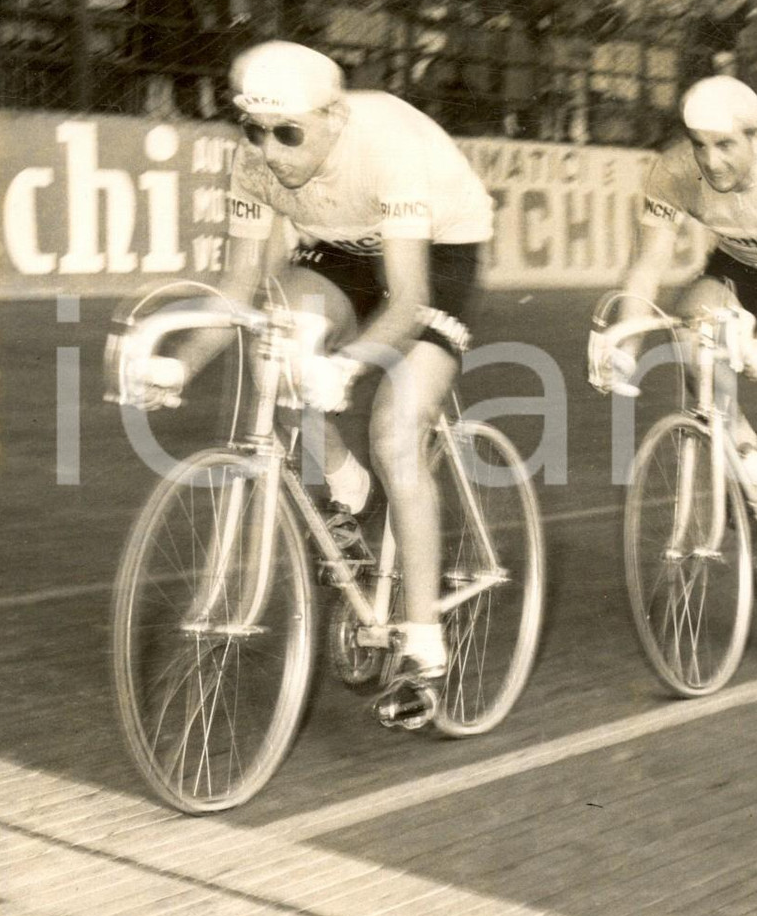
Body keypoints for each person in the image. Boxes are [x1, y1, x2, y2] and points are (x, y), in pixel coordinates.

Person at [138, 41, 494, 681]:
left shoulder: (388, 150)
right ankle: (347, 488)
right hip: (344, 246)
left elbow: (408, 300)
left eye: (288, 133)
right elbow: (240, 288)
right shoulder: (257, 165)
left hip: (436, 253)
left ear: (333, 117)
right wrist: (179, 365)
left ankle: (423, 638)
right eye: (254, 130)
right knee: (279, 341)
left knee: (395, 434)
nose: (269, 151)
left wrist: (350, 363)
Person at [590, 76, 757, 637]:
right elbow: (647, 268)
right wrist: (626, 345)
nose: (709, 159)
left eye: (725, 144)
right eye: (698, 143)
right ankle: (745, 455)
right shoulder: (673, 170)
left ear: (755, 137)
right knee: (690, 331)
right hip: (737, 267)